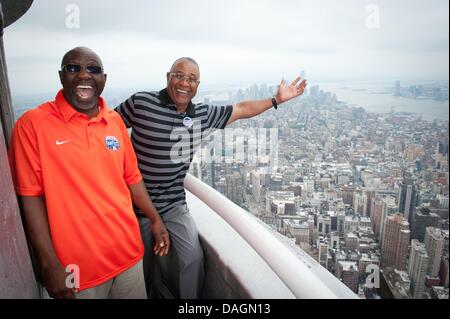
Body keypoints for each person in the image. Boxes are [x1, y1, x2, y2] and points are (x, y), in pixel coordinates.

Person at [115, 57, 307, 298]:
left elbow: (241, 109)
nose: (185, 83)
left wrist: (276, 100)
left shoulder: (202, 113)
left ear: (198, 85)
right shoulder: (141, 102)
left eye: (192, 79)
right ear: (168, 77)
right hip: (134, 205)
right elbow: (107, 127)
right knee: (138, 270)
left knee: (192, 258)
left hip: (173, 204)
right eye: (179, 75)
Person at [8, 47, 170, 299]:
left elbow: (132, 178)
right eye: (74, 68)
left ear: (104, 79)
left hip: (128, 255)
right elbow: (30, 198)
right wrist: (49, 263)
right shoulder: (32, 125)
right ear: (61, 76)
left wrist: (155, 218)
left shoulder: (114, 121)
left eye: (93, 69)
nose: (84, 75)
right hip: (77, 270)